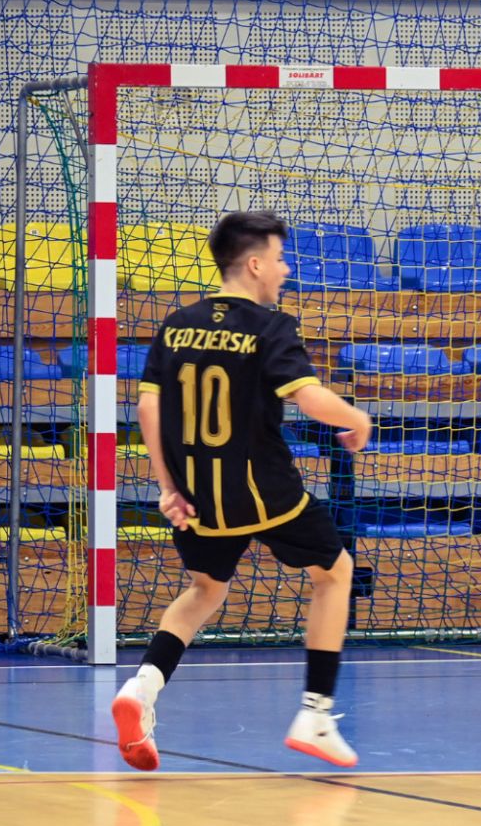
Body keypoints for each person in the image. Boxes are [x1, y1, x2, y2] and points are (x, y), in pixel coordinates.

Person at [112, 211, 373, 771]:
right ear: (254, 264)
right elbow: (308, 396)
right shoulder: (270, 326)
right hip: (263, 491)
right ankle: (315, 715)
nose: (285, 269)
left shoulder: (176, 325)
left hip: (196, 496)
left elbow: (148, 408)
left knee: (205, 590)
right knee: (335, 573)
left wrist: (167, 486)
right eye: (279, 258)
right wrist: (356, 417)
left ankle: (141, 688)